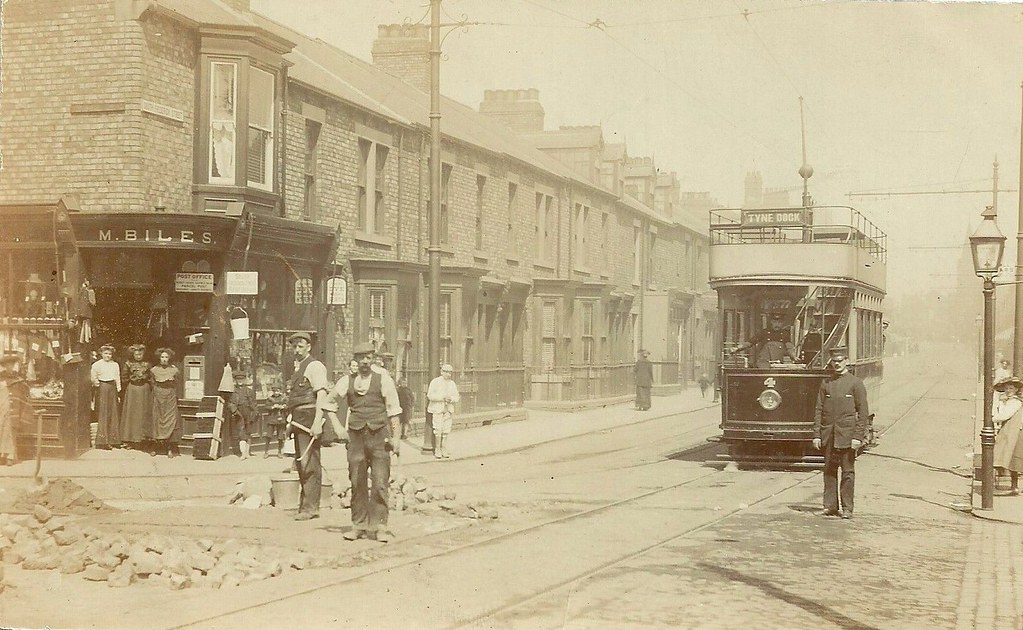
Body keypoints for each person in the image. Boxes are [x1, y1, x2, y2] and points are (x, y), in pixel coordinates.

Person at [327, 342, 402, 542]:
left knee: (380, 482)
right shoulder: (347, 381)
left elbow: (394, 411)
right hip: (356, 439)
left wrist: (396, 438)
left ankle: (380, 526)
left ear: (373, 359)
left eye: (368, 357)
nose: (365, 362)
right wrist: (338, 427)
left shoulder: (383, 380)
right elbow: (329, 403)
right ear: (356, 360)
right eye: (361, 358)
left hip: (379, 437)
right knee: (356, 481)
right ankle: (358, 525)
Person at [812, 347, 869, 519]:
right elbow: (819, 410)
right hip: (829, 435)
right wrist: (817, 435)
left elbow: (863, 413)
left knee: (847, 472)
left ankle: (847, 508)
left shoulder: (855, 383)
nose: (836, 364)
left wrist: (858, 437)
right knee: (829, 470)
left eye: (840, 361)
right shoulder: (826, 383)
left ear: (846, 361)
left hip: (847, 436)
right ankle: (830, 506)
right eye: (834, 361)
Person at [285, 332, 330, 520]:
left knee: (309, 462)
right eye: (294, 346)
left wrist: (318, 422)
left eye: (300, 346)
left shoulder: (314, 366)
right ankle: (305, 505)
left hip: (309, 419)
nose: (296, 350)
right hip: (298, 420)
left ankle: (311, 507)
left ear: (309, 347)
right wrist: (290, 422)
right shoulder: (298, 368)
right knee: (301, 463)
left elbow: (321, 395)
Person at [730, 312, 799, 368]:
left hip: (777, 365)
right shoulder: (764, 332)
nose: (777, 324)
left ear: (782, 323)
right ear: (771, 322)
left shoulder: (785, 334)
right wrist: (737, 348)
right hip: (763, 364)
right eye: (775, 322)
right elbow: (750, 342)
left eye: (779, 322)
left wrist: (794, 356)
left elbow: (789, 347)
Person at [0, 353, 33, 465]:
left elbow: (24, 396)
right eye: (7, 364)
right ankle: (2, 456)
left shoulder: (18, 381)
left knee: (10, 432)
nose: (9, 366)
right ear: (4, 366)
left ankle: (10, 456)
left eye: (11, 364)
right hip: (1, 408)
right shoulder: (1, 379)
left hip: (12, 410)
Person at [149, 348, 182, 457]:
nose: (164, 359)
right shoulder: (154, 370)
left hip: (170, 397)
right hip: (158, 396)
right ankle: (156, 447)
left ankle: (170, 448)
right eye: (162, 357)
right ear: (159, 358)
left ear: (169, 358)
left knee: (170, 420)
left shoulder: (174, 370)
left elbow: (177, 383)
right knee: (157, 419)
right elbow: (152, 383)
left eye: (166, 357)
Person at [993, 376, 1023, 494]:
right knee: (1008, 458)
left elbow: (1004, 415)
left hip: (1014, 432)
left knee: (1012, 458)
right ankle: (1013, 485)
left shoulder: (1015, 402)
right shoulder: (1007, 401)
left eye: (1011, 388)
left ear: (1016, 389)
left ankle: (1014, 486)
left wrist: (992, 419)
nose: (1008, 390)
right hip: (1008, 431)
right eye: (1006, 388)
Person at [120, 344, 152, 452]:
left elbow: (151, 377)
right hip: (133, 390)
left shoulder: (147, 364)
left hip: (144, 390)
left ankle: (143, 439)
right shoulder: (128, 364)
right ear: (133, 354)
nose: (138, 356)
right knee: (132, 414)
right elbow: (124, 377)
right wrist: (132, 379)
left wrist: (145, 378)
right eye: (136, 354)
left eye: (140, 354)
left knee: (143, 413)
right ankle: (130, 439)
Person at [91, 344, 121, 450]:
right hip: (102, 387)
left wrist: (118, 390)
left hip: (113, 388)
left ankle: (114, 440)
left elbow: (117, 377)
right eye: (106, 353)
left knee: (113, 413)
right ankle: (102, 442)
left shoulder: (115, 365)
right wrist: (98, 385)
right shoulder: (97, 365)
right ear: (101, 354)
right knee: (103, 413)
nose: (108, 356)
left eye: (110, 354)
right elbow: (93, 377)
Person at [426, 364, 460, 459]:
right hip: (438, 409)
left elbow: (457, 396)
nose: (449, 374)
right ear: (442, 372)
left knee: (446, 429)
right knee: (438, 429)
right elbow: (430, 395)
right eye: (447, 372)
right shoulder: (435, 382)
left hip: (448, 409)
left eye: (450, 372)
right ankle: (437, 449)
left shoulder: (452, 384)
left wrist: (451, 399)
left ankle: (444, 448)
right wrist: (442, 398)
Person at [229, 371, 257, 459]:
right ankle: (243, 453)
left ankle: (247, 453)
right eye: (238, 379)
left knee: (248, 433)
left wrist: (254, 412)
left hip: (248, 412)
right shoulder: (233, 391)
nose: (240, 381)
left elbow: (253, 403)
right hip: (239, 413)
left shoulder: (249, 391)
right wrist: (234, 411)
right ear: (235, 380)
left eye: (241, 379)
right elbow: (230, 403)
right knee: (241, 433)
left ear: (244, 380)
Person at [265, 382, 288, 458]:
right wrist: (272, 407)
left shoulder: (283, 398)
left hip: (280, 419)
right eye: (274, 391)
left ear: (280, 391)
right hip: (271, 419)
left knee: (280, 436)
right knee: (268, 436)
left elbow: (288, 406)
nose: (276, 393)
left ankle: (279, 451)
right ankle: (266, 451)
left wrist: (283, 407)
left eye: (277, 391)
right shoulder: (270, 399)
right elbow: (266, 407)